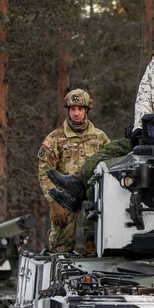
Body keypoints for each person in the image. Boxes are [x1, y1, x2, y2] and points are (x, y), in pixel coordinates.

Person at [38, 89, 110, 253]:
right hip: (64, 198)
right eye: (72, 109)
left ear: (86, 110)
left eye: (80, 109)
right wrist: (54, 202)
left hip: (93, 197)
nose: (76, 113)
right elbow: (45, 172)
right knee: (60, 245)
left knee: (98, 245)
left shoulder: (100, 138)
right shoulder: (55, 139)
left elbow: (110, 167)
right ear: (68, 110)